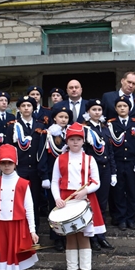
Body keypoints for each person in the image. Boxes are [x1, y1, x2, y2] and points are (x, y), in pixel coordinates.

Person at [51, 122, 106, 270]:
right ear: (67, 141)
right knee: (70, 237)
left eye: (78, 139)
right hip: (66, 201)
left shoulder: (89, 159)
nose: (75, 142)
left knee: (83, 236)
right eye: (72, 139)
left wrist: (86, 190)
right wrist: (57, 198)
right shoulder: (60, 159)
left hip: (84, 200)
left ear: (83, 141)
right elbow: (54, 181)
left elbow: (97, 181)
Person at [5, 95, 49, 230]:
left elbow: (43, 150)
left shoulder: (40, 125)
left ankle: (34, 230)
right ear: (19, 109)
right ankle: (21, 230)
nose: (26, 108)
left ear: (33, 108)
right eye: (23, 106)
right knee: (19, 201)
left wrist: (44, 173)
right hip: (20, 169)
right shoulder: (13, 126)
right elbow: (9, 148)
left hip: (35, 170)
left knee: (34, 201)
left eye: (29, 106)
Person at [82, 99, 116, 251]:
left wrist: (113, 171)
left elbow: (110, 151)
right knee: (91, 205)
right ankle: (91, 237)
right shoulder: (84, 128)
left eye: (99, 110)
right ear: (88, 112)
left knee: (102, 204)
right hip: (91, 170)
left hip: (105, 169)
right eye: (94, 109)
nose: (97, 112)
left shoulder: (105, 128)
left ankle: (101, 235)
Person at [108, 96, 135, 230]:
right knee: (118, 192)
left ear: (129, 108)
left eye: (125, 106)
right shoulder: (111, 124)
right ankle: (121, 219)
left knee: (132, 192)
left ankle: (131, 218)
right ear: (115, 109)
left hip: (132, 164)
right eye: (119, 106)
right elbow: (110, 146)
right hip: (117, 163)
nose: (122, 108)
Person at [44, 103, 73, 251]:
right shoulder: (49, 134)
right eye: (60, 117)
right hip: (52, 176)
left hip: (68, 176)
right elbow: (43, 156)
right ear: (54, 118)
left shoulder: (71, 134)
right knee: (54, 207)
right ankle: (57, 238)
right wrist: (44, 176)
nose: (63, 119)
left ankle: (67, 235)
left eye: (66, 117)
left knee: (67, 207)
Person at [102, 71, 135, 139]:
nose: (131, 85)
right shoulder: (108, 97)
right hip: (113, 140)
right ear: (122, 81)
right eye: (129, 82)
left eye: (134, 84)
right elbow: (103, 119)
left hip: (133, 142)